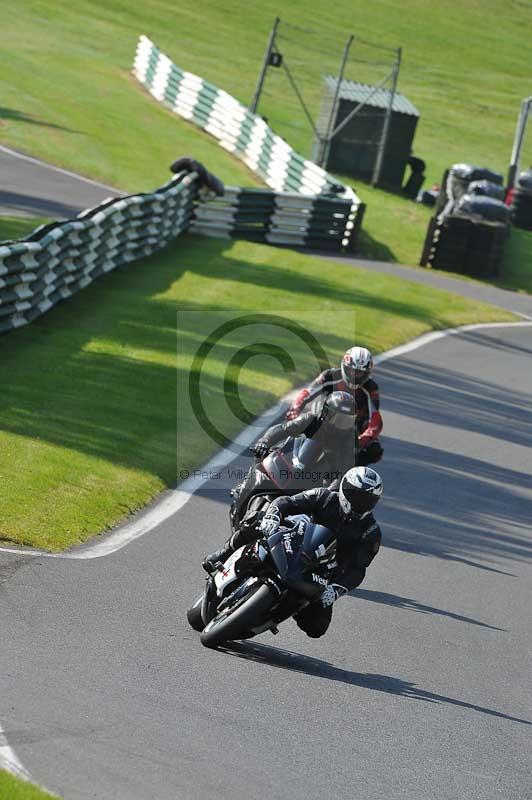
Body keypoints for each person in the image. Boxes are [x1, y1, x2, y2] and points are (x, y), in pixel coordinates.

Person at [203, 466, 383, 638]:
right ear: (344, 488)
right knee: (255, 521)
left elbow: (358, 569)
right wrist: (273, 515)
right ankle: (223, 553)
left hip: (322, 570)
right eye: (355, 495)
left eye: (367, 500)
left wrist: (337, 589)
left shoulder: (370, 532)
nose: (360, 503)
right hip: (294, 540)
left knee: (317, 628)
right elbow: (286, 502)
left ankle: (291, 607)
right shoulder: (324, 497)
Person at [286, 346, 383, 466]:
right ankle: (283, 452)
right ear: (345, 367)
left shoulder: (371, 388)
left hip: (350, 429)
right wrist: (296, 408)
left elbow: (375, 417)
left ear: (367, 373)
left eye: (360, 373)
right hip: (322, 420)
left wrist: (365, 437)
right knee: (292, 426)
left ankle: (349, 472)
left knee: (374, 450)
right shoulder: (329, 376)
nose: (355, 376)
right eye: (353, 371)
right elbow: (307, 393)